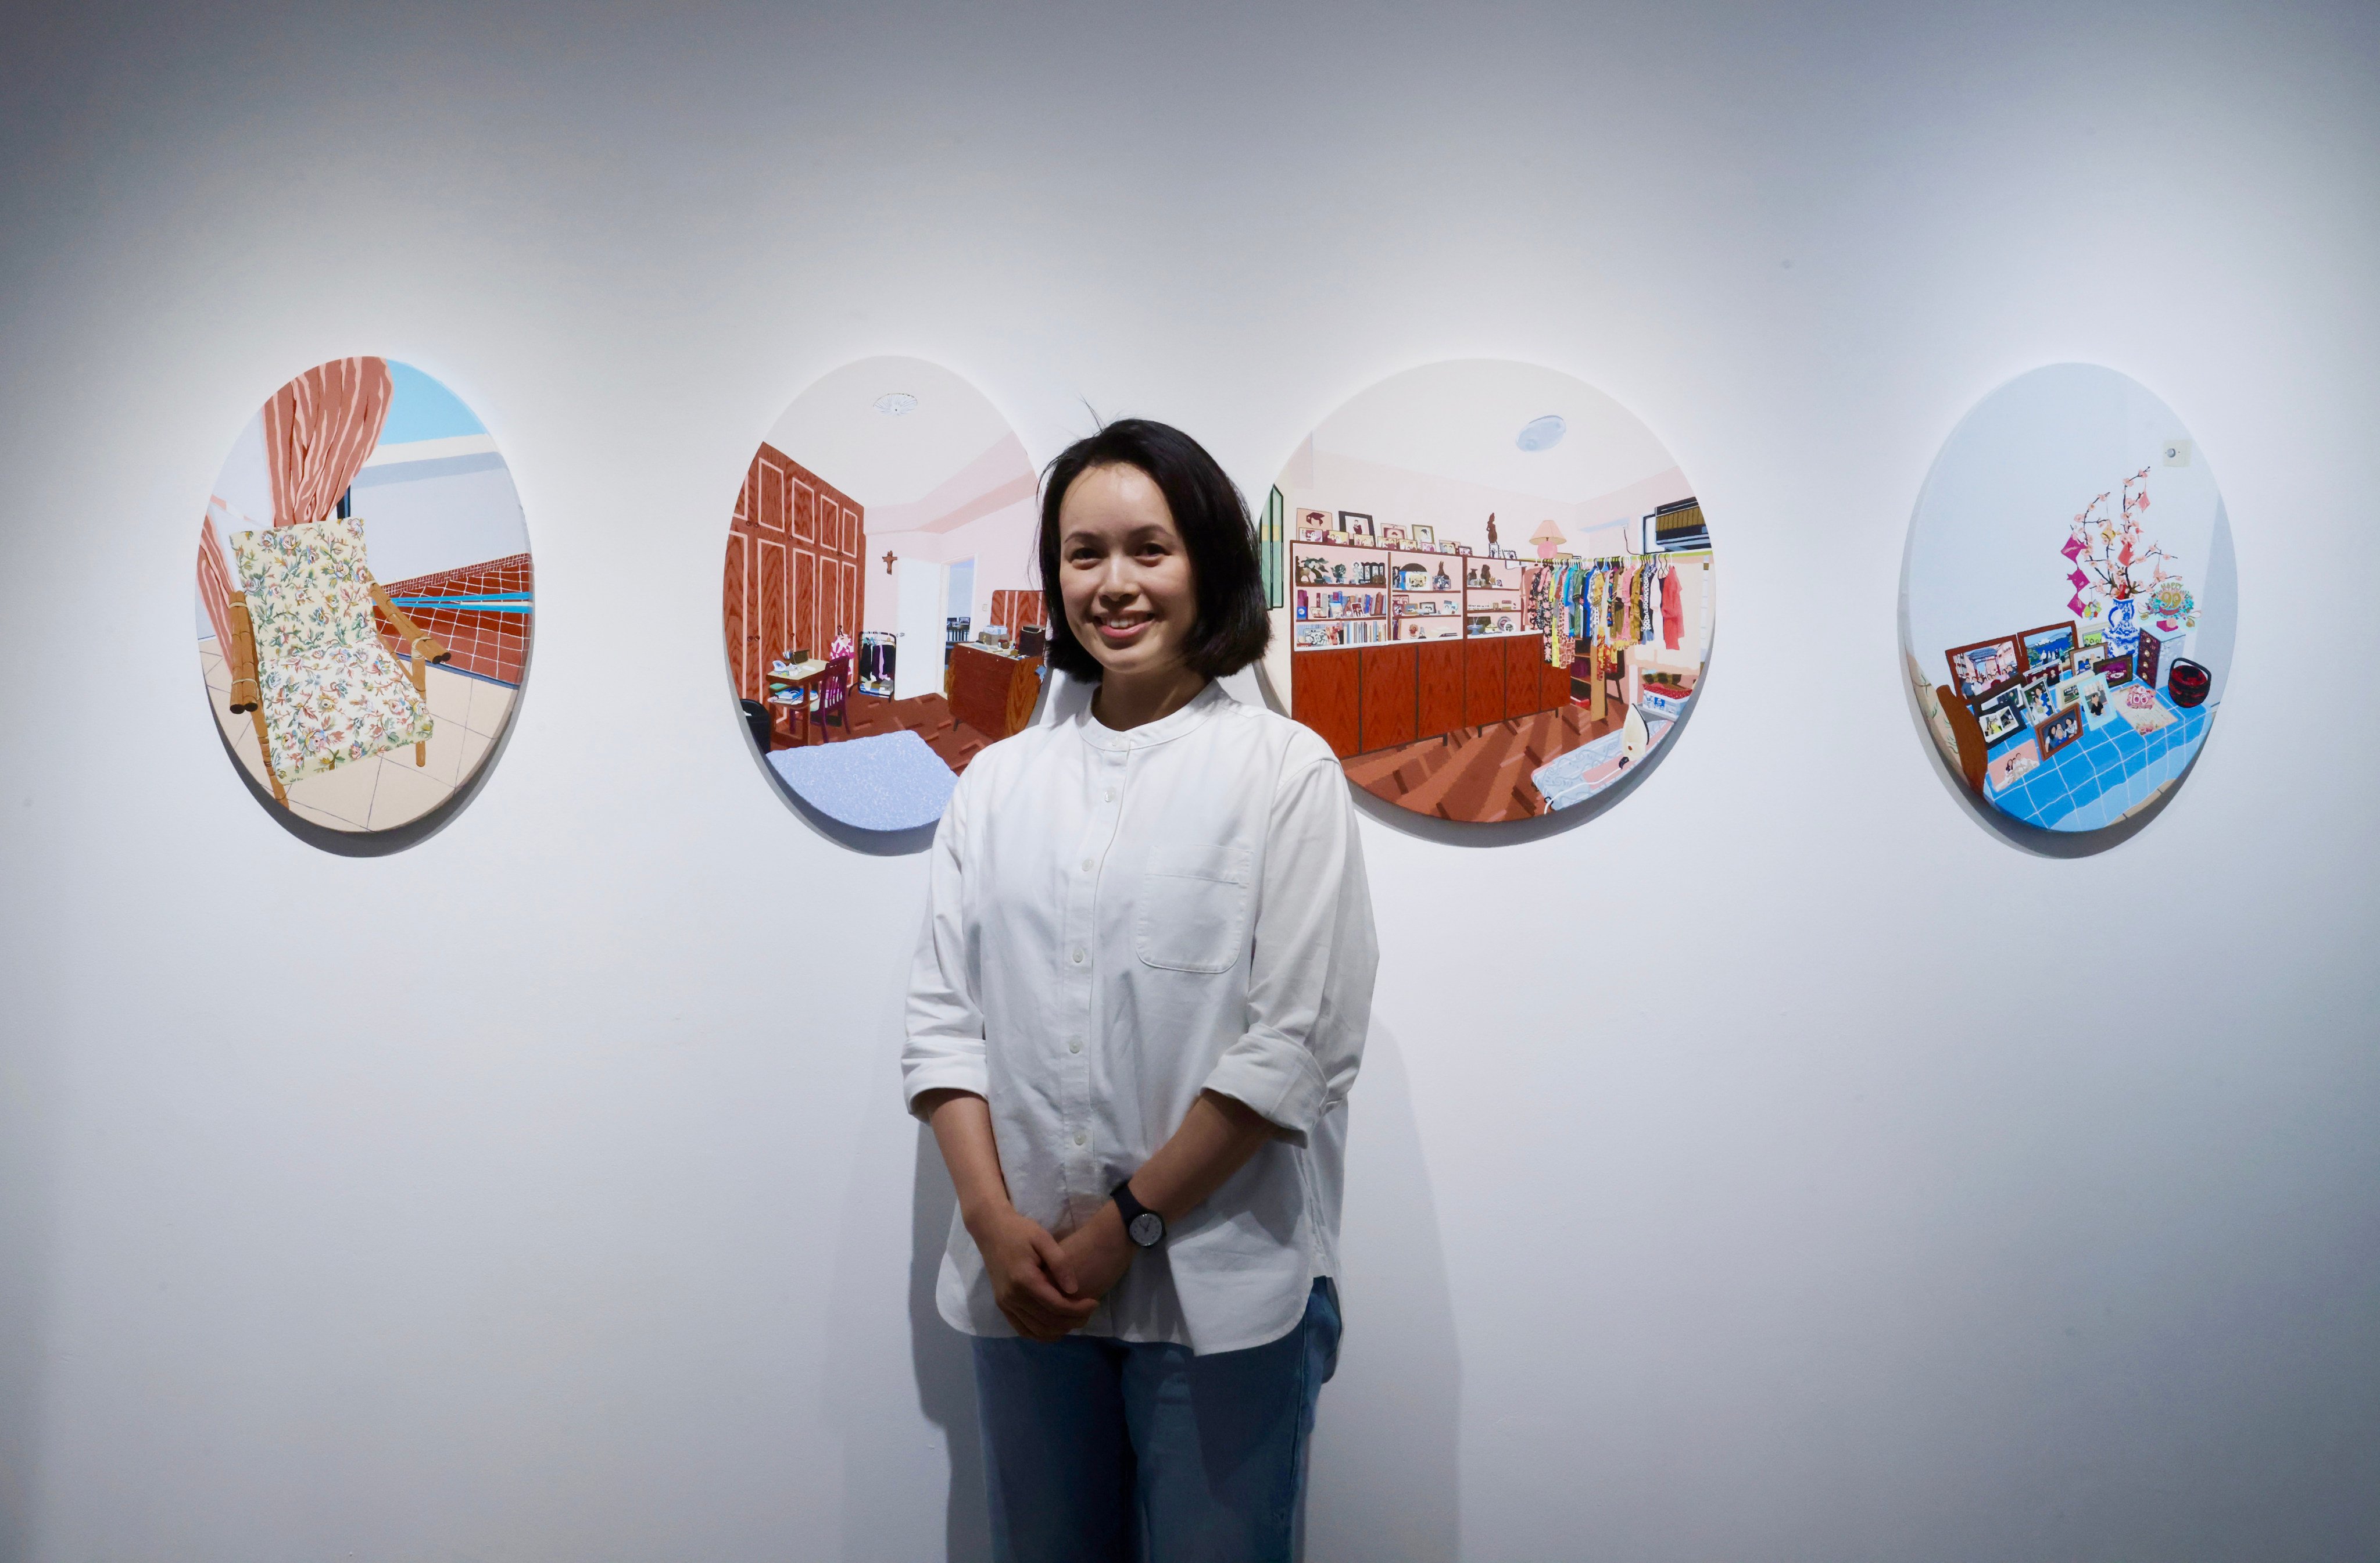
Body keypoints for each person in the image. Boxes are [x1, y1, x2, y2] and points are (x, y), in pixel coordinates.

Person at [903, 419, 1379, 1562]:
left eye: (1147, 548)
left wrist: (1125, 1227)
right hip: (1023, 1291)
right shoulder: (995, 784)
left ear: (1206, 562)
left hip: (1223, 1294)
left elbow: (1293, 1049)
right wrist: (987, 1219)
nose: (1113, 584)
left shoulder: (1285, 772)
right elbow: (941, 1024)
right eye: (1082, 553)